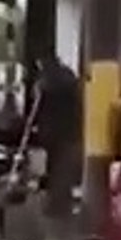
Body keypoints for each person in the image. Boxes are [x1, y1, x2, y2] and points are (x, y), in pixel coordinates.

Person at [34, 54, 81, 220]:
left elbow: (40, 106)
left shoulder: (46, 82)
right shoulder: (68, 76)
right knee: (62, 168)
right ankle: (61, 202)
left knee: (55, 167)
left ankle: (56, 204)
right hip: (69, 128)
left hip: (53, 129)